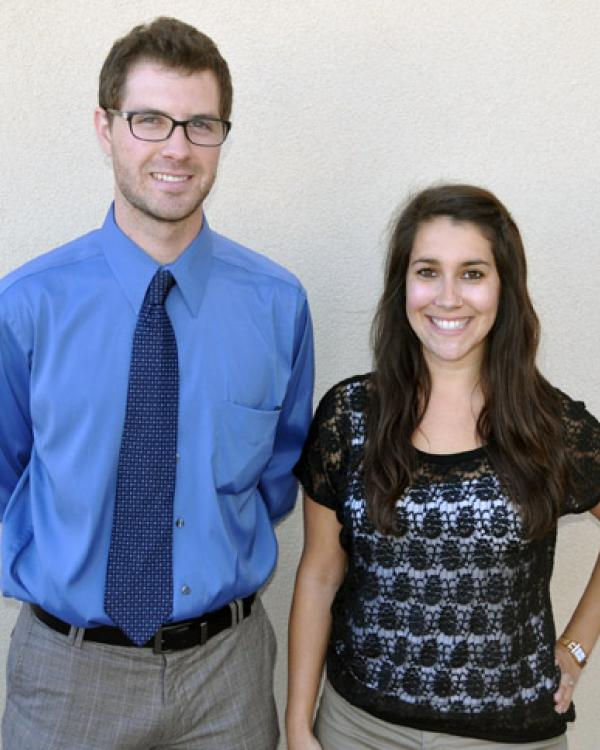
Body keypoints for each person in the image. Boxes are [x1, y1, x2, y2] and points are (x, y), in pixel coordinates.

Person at [0, 16, 313, 750]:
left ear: (221, 137)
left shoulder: (277, 304)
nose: (177, 147)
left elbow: (276, 477)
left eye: (201, 124)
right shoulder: (25, 306)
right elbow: (8, 469)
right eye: (150, 120)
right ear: (105, 127)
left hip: (227, 675)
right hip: (67, 678)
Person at [286, 184, 600, 750]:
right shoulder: (350, 415)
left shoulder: (552, 427)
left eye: (473, 273)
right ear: (402, 285)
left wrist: (577, 647)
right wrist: (297, 724)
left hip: (508, 737)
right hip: (358, 728)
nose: (448, 297)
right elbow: (319, 574)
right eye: (428, 271)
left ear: (505, 287)